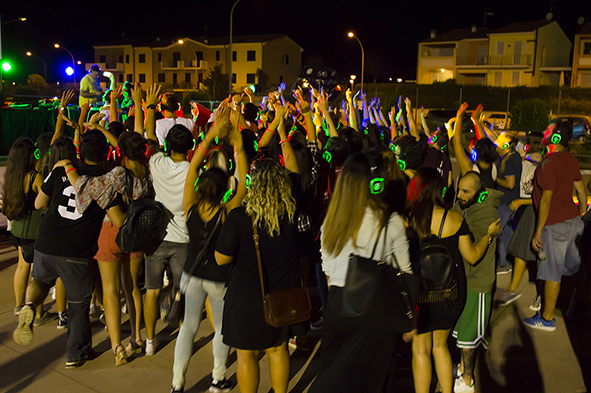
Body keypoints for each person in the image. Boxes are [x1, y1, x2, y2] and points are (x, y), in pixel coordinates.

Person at [13, 134, 125, 369]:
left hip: (46, 241)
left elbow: (38, 204)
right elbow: (118, 219)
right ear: (104, 154)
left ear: (80, 152)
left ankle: (30, 305)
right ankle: (76, 352)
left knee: (41, 280)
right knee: (78, 304)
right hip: (77, 250)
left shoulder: (61, 170)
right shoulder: (104, 181)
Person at [308, 152, 413, 393]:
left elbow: (327, 272)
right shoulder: (390, 221)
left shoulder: (331, 222)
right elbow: (404, 274)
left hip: (337, 308)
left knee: (336, 378)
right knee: (372, 381)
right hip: (376, 310)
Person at [214, 135, 301, 393]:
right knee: (278, 350)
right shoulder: (291, 214)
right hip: (282, 294)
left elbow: (221, 259)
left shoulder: (240, 217)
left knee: (247, 355)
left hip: (246, 298)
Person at [171, 105, 247, 393]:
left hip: (191, 274)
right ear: (223, 188)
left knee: (188, 329)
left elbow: (192, 168)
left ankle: (177, 384)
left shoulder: (190, 206)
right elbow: (243, 182)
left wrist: (210, 136)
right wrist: (237, 144)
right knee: (221, 329)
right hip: (219, 278)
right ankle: (218, 378)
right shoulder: (227, 211)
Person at [406, 168, 501, 393]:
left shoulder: (408, 218)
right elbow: (473, 256)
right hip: (448, 295)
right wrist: (489, 235)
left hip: (419, 293)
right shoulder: (455, 218)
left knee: (420, 349)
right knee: (440, 346)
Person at [524, 119, 586, 332]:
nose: (543, 131)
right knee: (571, 270)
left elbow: (546, 200)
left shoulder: (549, 165)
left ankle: (547, 319)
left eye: (548, 130)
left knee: (551, 272)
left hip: (555, 225)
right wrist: (581, 214)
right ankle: (574, 307)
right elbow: (580, 190)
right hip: (573, 222)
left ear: (556, 136)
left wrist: (538, 231)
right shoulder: (569, 159)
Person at [450, 171, 502, 393]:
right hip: (463, 281)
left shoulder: (488, 215)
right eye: (459, 190)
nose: (460, 195)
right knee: (463, 334)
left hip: (477, 285)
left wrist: (488, 236)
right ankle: (462, 370)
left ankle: (468, 381)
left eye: (465, 192)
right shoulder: (464, 205)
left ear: (479, 194)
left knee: (469, 338)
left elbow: (472, 255)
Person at [3, 138, 57, 324]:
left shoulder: (12, 176)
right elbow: (44, 200)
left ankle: (19, 306)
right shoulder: (34, 176)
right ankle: (37, 313)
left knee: (21, 266)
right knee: (38, 273)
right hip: (33, 232)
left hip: (17, 230)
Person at [493, 132, 522, 275]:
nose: (496, 140)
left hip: (506, 202)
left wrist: (494, 179)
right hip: (509, 201)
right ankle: (516, 261)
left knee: (497, 232)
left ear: (506, 145)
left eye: (500, 139)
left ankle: (503, 264)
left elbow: (510, 184)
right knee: (506, 233)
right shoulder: (511, 156)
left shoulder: (509, 161)